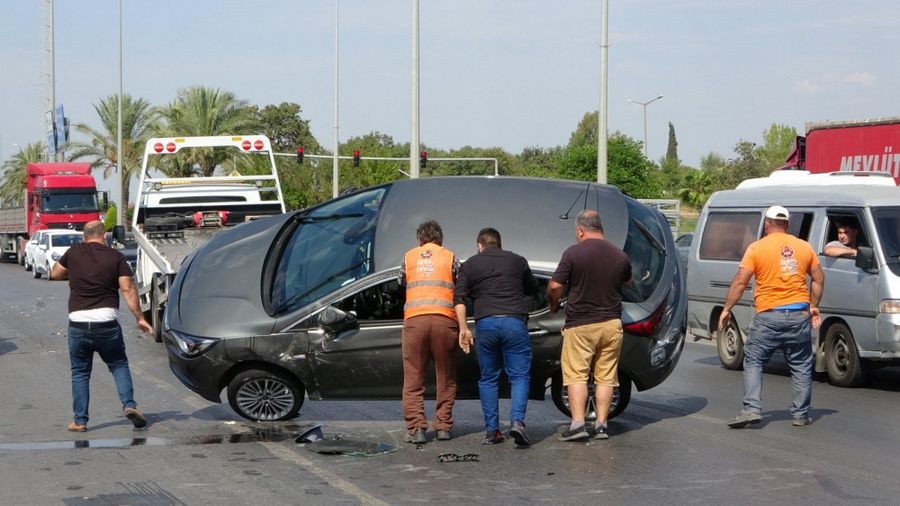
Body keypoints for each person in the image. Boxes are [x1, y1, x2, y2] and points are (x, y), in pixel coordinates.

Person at [718, 205, 825, 428]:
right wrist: (813, 306)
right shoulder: (804, 247)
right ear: (787, 225)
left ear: (767, 224)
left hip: (769, 315)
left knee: (754, 360)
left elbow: (740, 282)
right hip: (798, 315)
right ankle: (800, 415)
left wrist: (727, 309)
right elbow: (818, 279)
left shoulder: (756, 248)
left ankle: (751, 409)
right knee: (801, 365)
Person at [50, 220, 153, 432]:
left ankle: (80, 421)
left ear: (84, 236)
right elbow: (127, 289)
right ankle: (130, 405)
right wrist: (140, 318)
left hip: (78, 324)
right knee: (118, 365)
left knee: (80, 373)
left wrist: (75, 270)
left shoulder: (74, 252)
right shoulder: (116, 257)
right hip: (107, 324)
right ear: (104, 235)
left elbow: (55, 273)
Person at [548, 210, 631, 442]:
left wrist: (553, 304)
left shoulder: (573, 253)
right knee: (606, 377)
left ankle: (577, 425)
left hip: (581, 323)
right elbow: (628, 281)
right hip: (611, 324)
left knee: (577, 375)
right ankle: (602, 425)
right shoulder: (620, 255)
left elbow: (555, 286)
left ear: (580, 230)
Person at [454, 228, 538, 447]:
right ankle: (517, 422)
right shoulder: (517, 261)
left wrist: (463, 328)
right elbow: (532, 288)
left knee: (489, 378)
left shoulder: (471, 264)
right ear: (500, 244)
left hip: (486, 323)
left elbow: (460, 298)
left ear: (479, 245)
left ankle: (492, 431)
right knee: (519, 375)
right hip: (514, 321)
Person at [398, 220, 460, 444]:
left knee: (413, 377)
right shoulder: (450, 257)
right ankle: (443, 426)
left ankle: (416, 429)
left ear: (420, 238)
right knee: (446, 377)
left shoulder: (409, 257)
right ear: (440, 238)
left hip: (415, 321)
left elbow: (399, 283)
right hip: (445, 321)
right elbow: (459, 285)